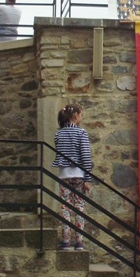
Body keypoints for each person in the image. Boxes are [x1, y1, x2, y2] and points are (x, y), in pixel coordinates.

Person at [51, 103, 93, 250]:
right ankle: (79, 241)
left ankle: (66, 240)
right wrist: (88, 178)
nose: (81, 117)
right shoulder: (81, 133)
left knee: (65, 207)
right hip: (79, 175)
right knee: (79, 207)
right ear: (75, 116)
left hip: (64, 175)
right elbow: (85, 157)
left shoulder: (58, 134)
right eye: (81, 115)